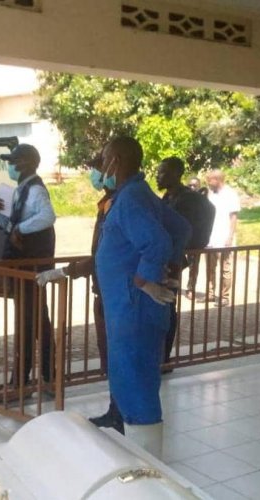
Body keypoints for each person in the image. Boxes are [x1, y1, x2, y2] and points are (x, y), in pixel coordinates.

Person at [95, 137, 190, 458]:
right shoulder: (136, 192)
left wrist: (143, 278)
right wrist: (171, 266)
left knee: (135, 380)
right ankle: (135, 451)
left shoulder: (131, 198)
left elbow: (157, 241)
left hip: (133, 305)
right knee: (133, 377)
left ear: (117, 160)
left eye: (104, 158)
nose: (100, 165)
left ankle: (147, 462)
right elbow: (181, 228)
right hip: (130, 305)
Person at [35, 152, 123, 433]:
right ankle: (116, 410)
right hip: (106, 289)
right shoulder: (109, 203)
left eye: (99, 168)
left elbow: (106, 255)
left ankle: (123, 413)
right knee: (110, 355)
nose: (95, 175)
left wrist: (66, 271)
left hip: (118, 293)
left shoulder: (122, 203)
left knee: (118, 356)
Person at [0, 144, 56, 388]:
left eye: (13, 161)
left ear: (26, 163)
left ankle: (23, 378)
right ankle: (46, 374)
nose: (10, 166)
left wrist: (20, 229)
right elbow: (11, 228)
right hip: (22, 266)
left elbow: (48, 216)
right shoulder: (18, 191)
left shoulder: (36, 190)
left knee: (30, 321)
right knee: (35, 320)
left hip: (32, 267)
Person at [156, 157, 215, 366]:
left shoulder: (187, 200)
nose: (158, 176)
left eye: (162, 172)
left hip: (172, 261)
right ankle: (159, 356)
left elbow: (179, 230)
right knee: (162, 306)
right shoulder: (168, 197)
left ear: (176, 174)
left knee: (166, 306)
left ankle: (163, 358)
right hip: (165, 259)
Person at [202, 169, 240, 307]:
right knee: (209, 268)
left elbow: (233, 217)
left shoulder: (230, 194)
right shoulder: (209, 194)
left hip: (224, 237)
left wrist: (230, 237)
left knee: (225, 269)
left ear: (217, 180)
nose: (208, 183)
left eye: (209, 180)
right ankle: (210, 294)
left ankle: (224, 297)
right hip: (210, 238)